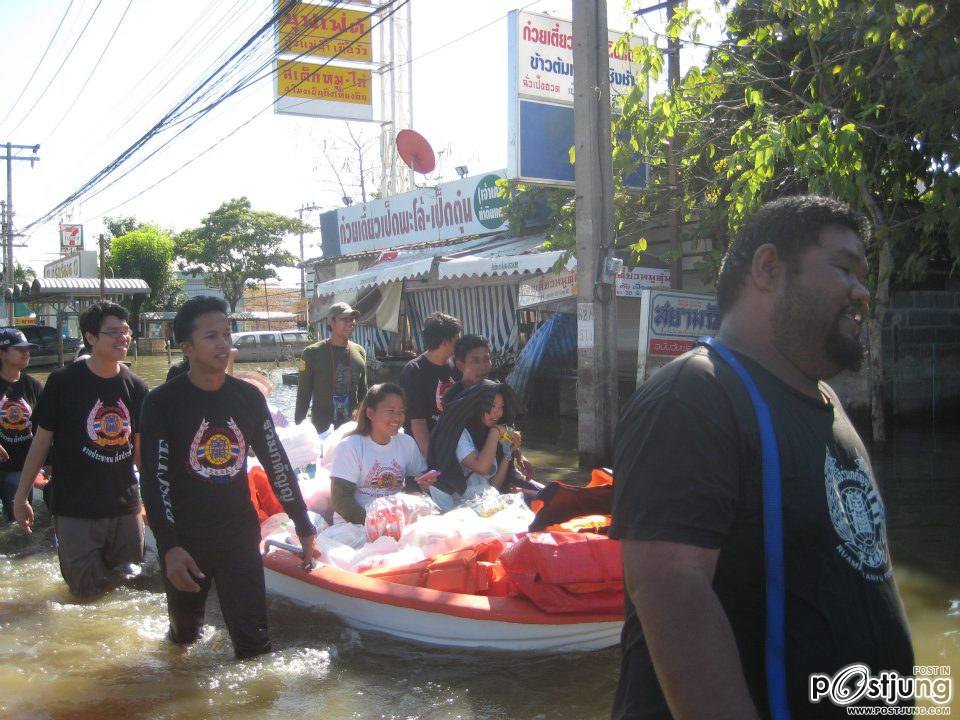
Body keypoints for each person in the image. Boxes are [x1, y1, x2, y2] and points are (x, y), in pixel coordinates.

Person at [610, 196, 913, 719]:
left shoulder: (828, 405)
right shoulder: (695, 395)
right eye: (844, 268)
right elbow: (669, 586)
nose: (862, 291)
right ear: (769, 268)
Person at [139, 296, 316, 660]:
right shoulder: (161, 403)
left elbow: (277, 465)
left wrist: (303, 524)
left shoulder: (248, 397)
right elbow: (154, 481)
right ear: (186, 347)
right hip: (187, 541)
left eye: (227, 333)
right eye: (211, 336)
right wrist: (169, 546)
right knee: (184, 643)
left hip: (239, 534)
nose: (224, 343)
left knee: (255, 647)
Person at [14, 302, 149, 598]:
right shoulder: (63, 382)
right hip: (76, 510)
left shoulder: (136, 387)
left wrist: (155, 502)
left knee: (128, 593)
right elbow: (40, 441)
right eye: (112, 333)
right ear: (90, 337)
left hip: (125, 509)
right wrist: (21, 495)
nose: (122, 338)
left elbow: (140, 451)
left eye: (125, 331)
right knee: (85, 595)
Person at [329, 383, 428, 524]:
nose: (397, 418)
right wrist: (373, 524)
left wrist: (421, 483)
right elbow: (340, 500)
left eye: (401, 412)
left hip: (396, 520)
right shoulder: (350, 446)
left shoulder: (407, 443)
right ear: (370, 413)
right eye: (390, 411)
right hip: (355, 524)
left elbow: (415, 481)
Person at [427, 381, 515, 512]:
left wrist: (509, 452)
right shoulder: (459, 433)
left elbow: (493, 488)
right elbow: (482, 467)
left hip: (480, 504)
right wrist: (495, 432)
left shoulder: (486, 432)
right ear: (479, 405)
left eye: (501, 407)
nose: (497, 413)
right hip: (453, 508)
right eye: (492, 406)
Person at [295, 302, 367, 432]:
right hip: (322, 430)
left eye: (352, 319)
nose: (351, 323)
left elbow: (364, 394)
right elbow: (303, 395)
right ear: (331, 321)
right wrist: (298, 429)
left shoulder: (359, 351)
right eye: (345, 319)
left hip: (353, 430)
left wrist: (367, 427)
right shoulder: (312, 353)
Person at [400, 312, 462, 458]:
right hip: (421, 451)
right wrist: (432, 460)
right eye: (457, 339)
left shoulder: (456, 366)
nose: (460, 343)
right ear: (444, 342)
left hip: (451, 445)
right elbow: (418, 422)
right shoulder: (414, 371)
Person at [0, 329, 43, 522]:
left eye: (28, 349)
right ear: (2, 353)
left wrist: (48, 462)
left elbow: (45, 427)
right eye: (19, 349)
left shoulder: (33, 386)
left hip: (20, 467)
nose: (26, 353)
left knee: (18, 524)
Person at [442, 334, 493, 408]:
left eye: (486, 359)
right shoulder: (453, 398)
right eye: (476, 361)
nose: (483, 367)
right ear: (460, 365)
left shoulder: (497, 391)